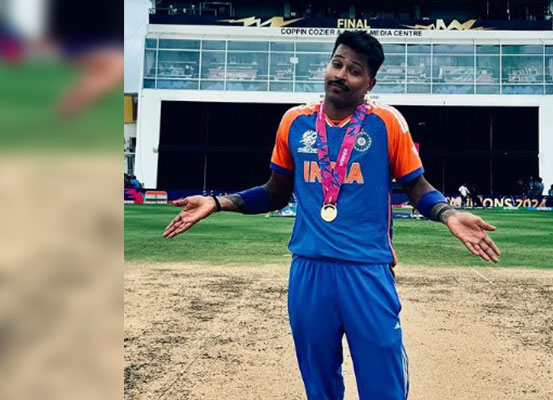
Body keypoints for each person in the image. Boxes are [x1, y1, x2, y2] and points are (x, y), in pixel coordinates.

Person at [163, 31, 500, 400]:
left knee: (383, 385)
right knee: (319, 385)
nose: (340, 74)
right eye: (336, 63)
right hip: (309, 270)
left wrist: (449, 215)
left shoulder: (387, 122)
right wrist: (216, 202)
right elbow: (275, 192)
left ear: (369, 82)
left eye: (354, 70)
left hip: (367, 270)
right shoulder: (294, 122)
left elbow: (416, 186)